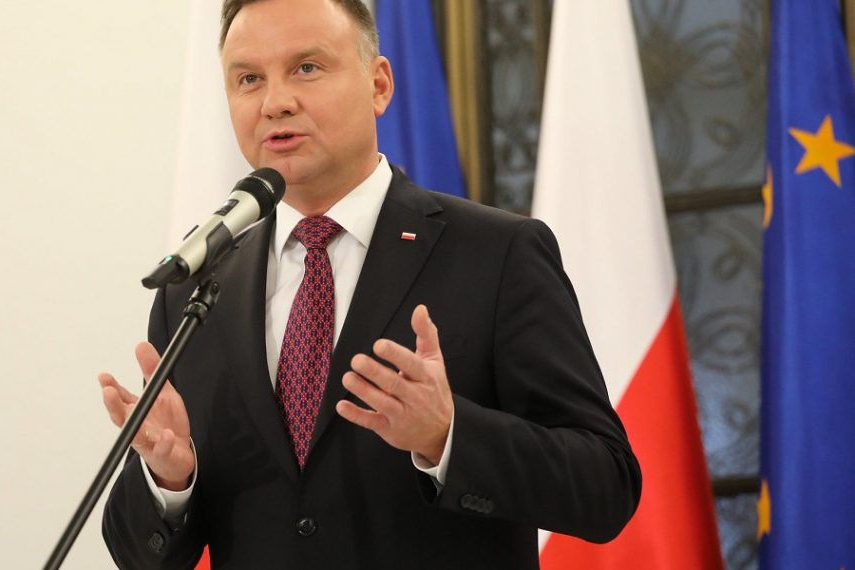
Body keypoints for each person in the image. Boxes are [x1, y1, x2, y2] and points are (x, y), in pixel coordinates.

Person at [100, 0, 641, 567]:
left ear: (378, 84)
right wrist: (170, 479)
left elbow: (605, 486)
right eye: (249, 79)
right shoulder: (195, 288)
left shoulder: (497, 254)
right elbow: (141, 558)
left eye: (307, 67)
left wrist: (447, 436)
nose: (275, 102)